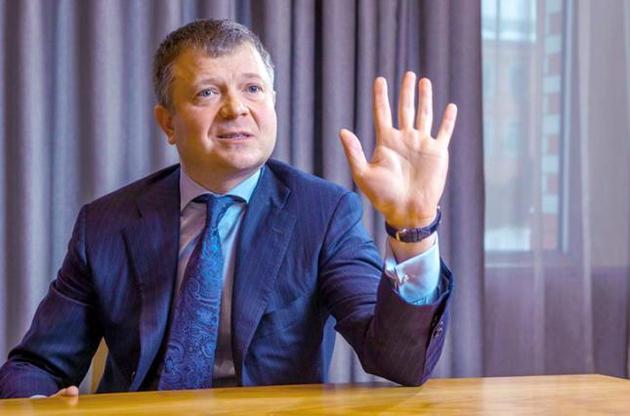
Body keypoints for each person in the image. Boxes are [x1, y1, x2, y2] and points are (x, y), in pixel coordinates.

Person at [0, 19, 457, 399]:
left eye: (253, 88)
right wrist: (36, 403)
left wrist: (414, 229)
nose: (236, 108)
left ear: (273, 103)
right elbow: (36, 365)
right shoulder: (105, 224)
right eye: (207, 93)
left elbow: (400, 362)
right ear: (168, 123)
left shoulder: (324, 213)